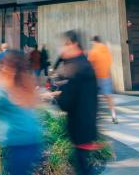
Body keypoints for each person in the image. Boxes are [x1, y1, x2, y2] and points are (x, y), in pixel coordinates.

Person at [53, 30, 98, 175]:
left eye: (64, 46)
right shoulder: (84, 63)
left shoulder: (76, 68)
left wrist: (56, 96)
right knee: (83, 167)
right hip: (86, 125)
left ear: (73, 44)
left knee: (83, 169)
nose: (62, 50)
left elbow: (66, 103)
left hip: (80, 127)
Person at [88, 36, 118, 124]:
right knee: (109, 97)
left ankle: (96, 115)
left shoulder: (93, 51)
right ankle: (114, 115)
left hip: (96, 77)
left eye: (92, 43)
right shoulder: (107, 51)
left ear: (94, 42)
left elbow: (89, 64)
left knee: (93, 96)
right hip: (106, 76)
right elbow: (110, 61)